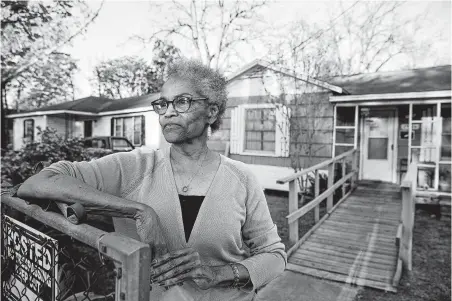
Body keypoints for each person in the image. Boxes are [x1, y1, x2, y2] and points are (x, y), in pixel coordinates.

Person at [17, 59, 287, 301]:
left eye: (182, 102)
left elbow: (275, 256)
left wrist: (220, 274)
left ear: (212, 112)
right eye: (162, 104)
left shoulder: (241, 178)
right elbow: (39, 182)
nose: (168, 112)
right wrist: (138, 211)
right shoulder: (133, 166)